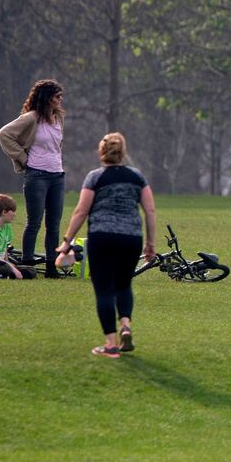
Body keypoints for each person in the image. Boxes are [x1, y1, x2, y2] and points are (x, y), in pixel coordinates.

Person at [57, 133, 157, 358]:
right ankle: (126, 325)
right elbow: (150, 210)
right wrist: (150, 243)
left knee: (104, 290)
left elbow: (81, 211)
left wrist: (66, 242)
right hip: (131, 237)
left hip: (102, 236)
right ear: (123, 153)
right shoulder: (137, 177)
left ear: (101, 153)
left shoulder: (95, 177)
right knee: (123, 285)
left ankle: (111, 344)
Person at [0, 79, 66, 278]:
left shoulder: (59, 118)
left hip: (57, 176)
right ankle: (27, 265)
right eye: (57, 96)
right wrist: (23, 158)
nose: (60, 100)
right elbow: (4, 134)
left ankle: (52, 268)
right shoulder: (31, 118)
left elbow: (56, 147)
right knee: (34, 222)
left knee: (54, 225)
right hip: (37, 175)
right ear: (46, 98)